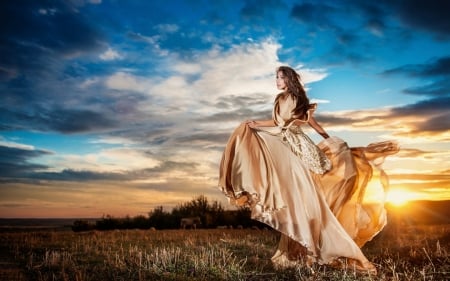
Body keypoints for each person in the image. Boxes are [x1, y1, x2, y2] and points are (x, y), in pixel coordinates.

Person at [218, 66, 399, 274]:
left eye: (280, 77)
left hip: (299, 148)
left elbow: (312, 124)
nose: (277, 81)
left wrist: (329, 140)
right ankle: (302, 248)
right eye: (276, 77)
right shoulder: (279, 99)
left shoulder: (299, 100)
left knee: (307, 197)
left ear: (289, 79)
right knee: (291, 192)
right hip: (282, 141)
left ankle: (320, 247)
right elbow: (277, 123)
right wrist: (255, 123)